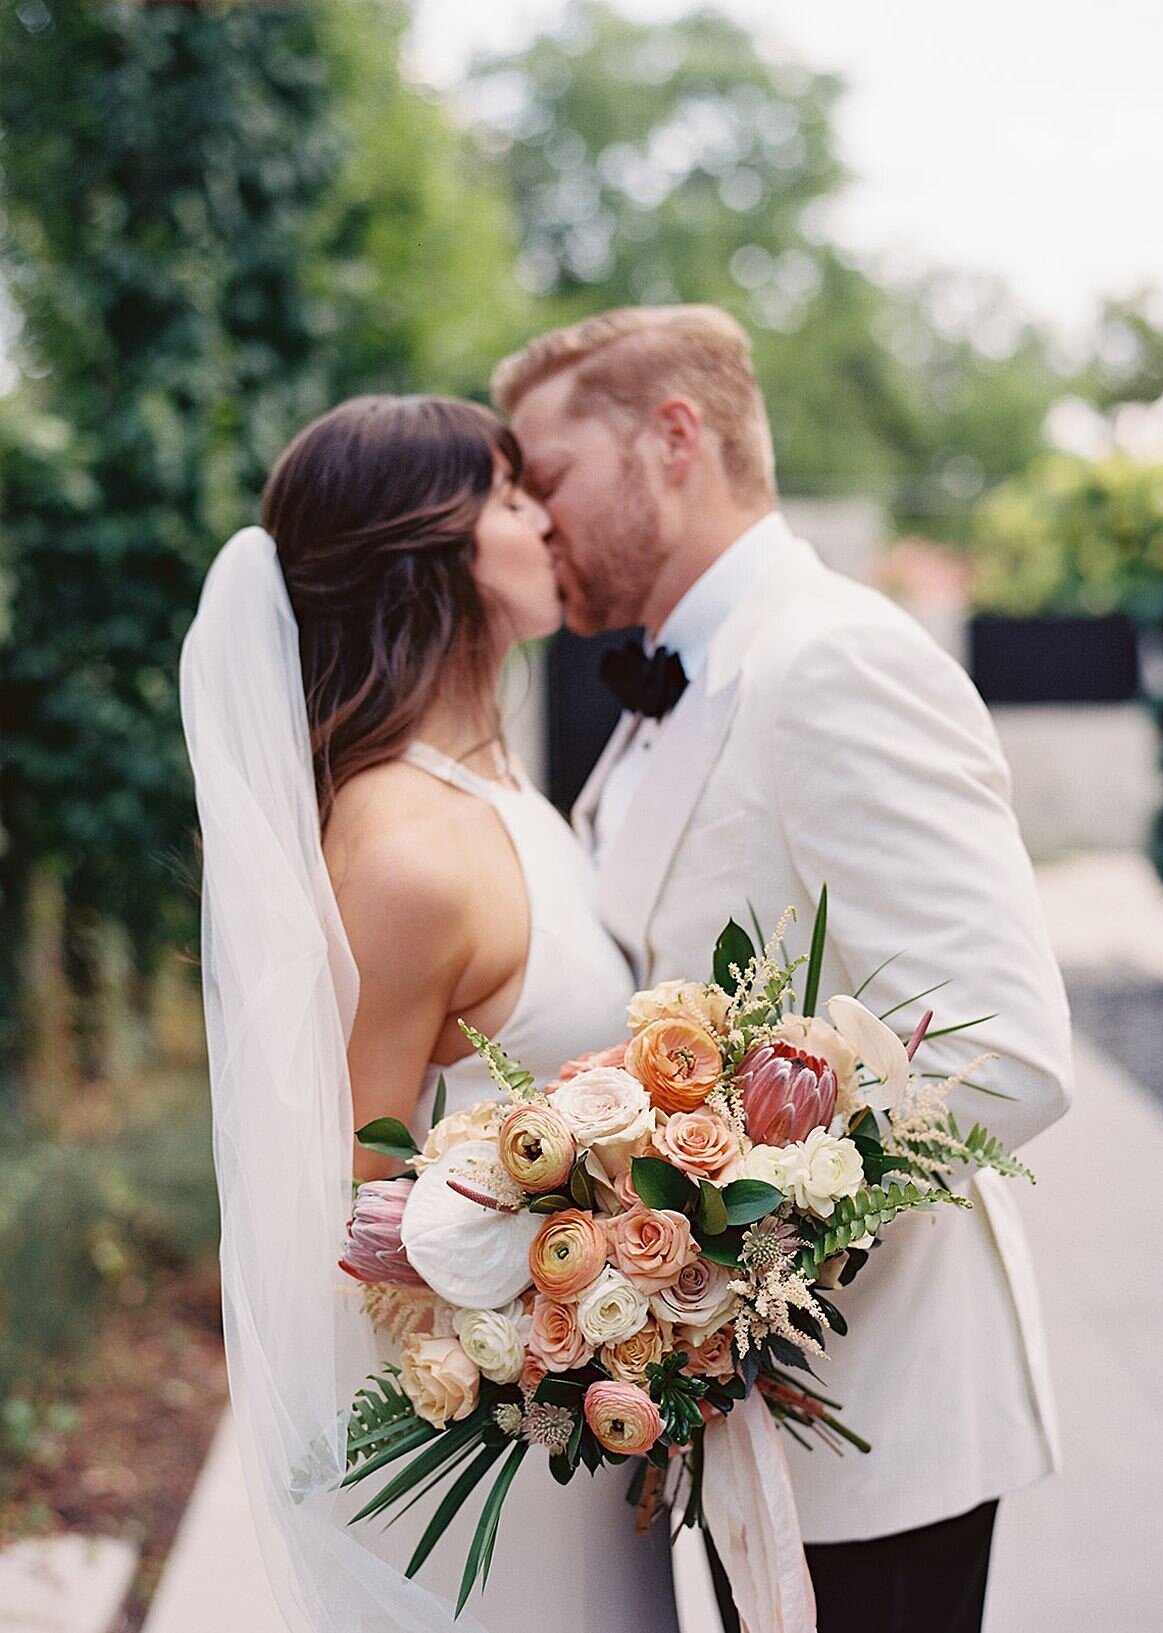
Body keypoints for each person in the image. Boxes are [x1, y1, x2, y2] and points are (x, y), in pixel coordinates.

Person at [493, 305, 1074, 1633]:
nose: (536, 519)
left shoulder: (835, 659)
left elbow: (1005, 1052)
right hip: (733, 1431)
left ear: (674, 439)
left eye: (552, 476)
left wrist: (704, 1238)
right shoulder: (668, 702)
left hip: (878, 1433)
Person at [180, 395, 679, 1633]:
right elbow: (344, 1215)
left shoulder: (505, 790)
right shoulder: (405, 851)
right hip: (488, 1467)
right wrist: (583, 1283)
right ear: (433, 553)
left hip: (575, 1425)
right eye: (512, 497)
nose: (545, 517)